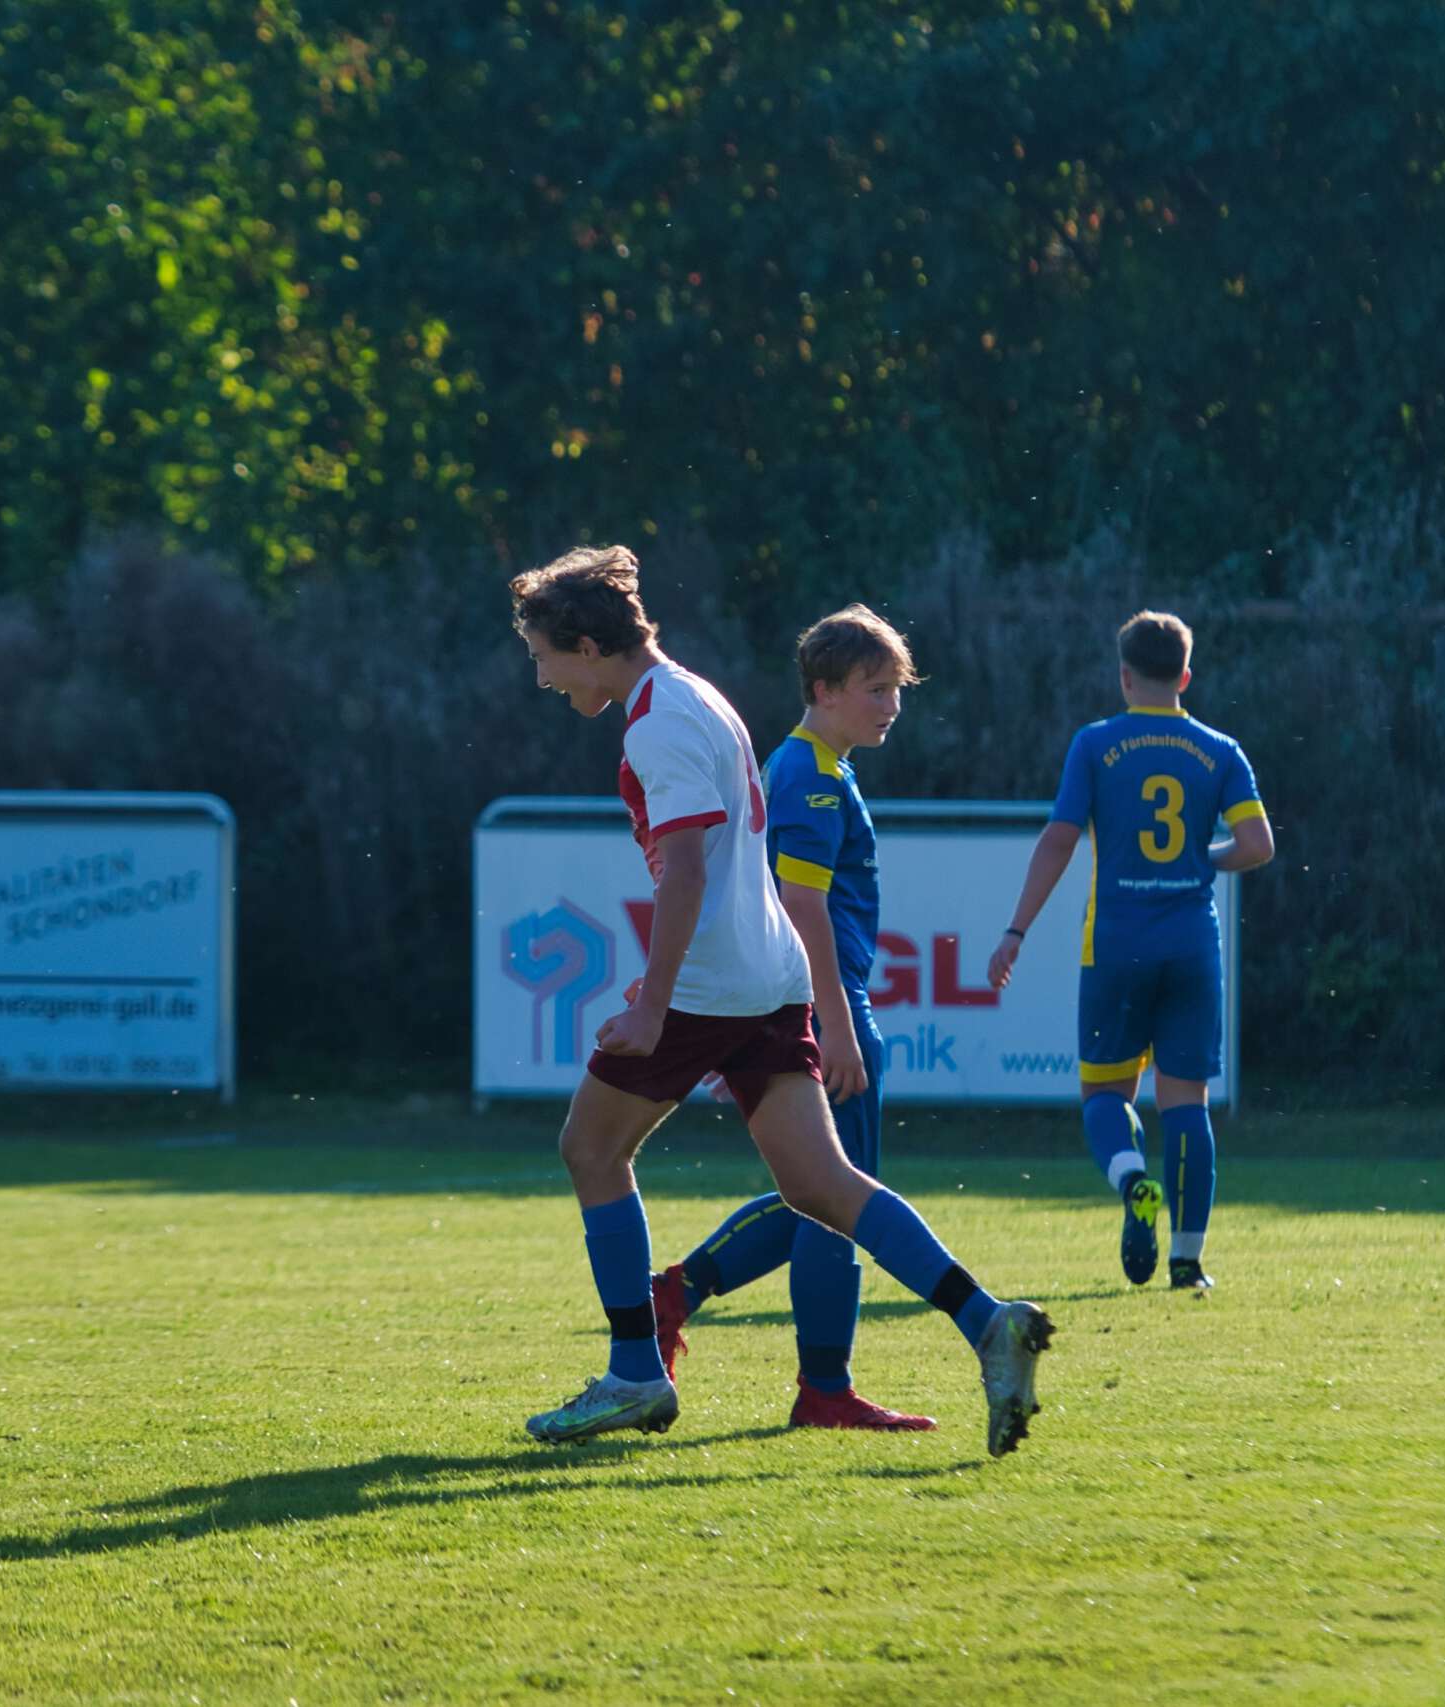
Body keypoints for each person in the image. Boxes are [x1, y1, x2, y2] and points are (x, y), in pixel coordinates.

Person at [509, 547, 1051, 1454]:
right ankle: (988, 1320)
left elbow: (685, 868)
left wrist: (653, 1002)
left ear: (590, 644)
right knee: (821, 1186)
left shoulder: (656, 724)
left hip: (711, 982)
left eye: (544, 656)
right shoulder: (697, 694)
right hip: (770, 978)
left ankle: (636, 1370)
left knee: (590, 1147)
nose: (542, 677)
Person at [651, 605, 935, 1431]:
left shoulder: (812, 766)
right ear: (824, 688)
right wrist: (838, 1026)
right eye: (875, 689)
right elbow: (802, 904)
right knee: (838, 1200)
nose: (891, 705)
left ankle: (677, 1293)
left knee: (817, 1194)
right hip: (824, 1006)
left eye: (897, 690)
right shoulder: (807, 772)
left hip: (804, 1004)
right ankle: (824, 1388)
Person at [985, 611, 1273, 1290]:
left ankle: (1132, 1178)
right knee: (1187, 1103)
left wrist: (1016, 929)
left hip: (1116, 943)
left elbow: (1059, 838)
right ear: (1186, 675)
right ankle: (1189, 1261)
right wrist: (1203, 860)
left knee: (1104, 1095)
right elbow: (1259, 845)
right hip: (1191, 943)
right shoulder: (1220, 749)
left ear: (1124, 675)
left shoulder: (1095, 744)